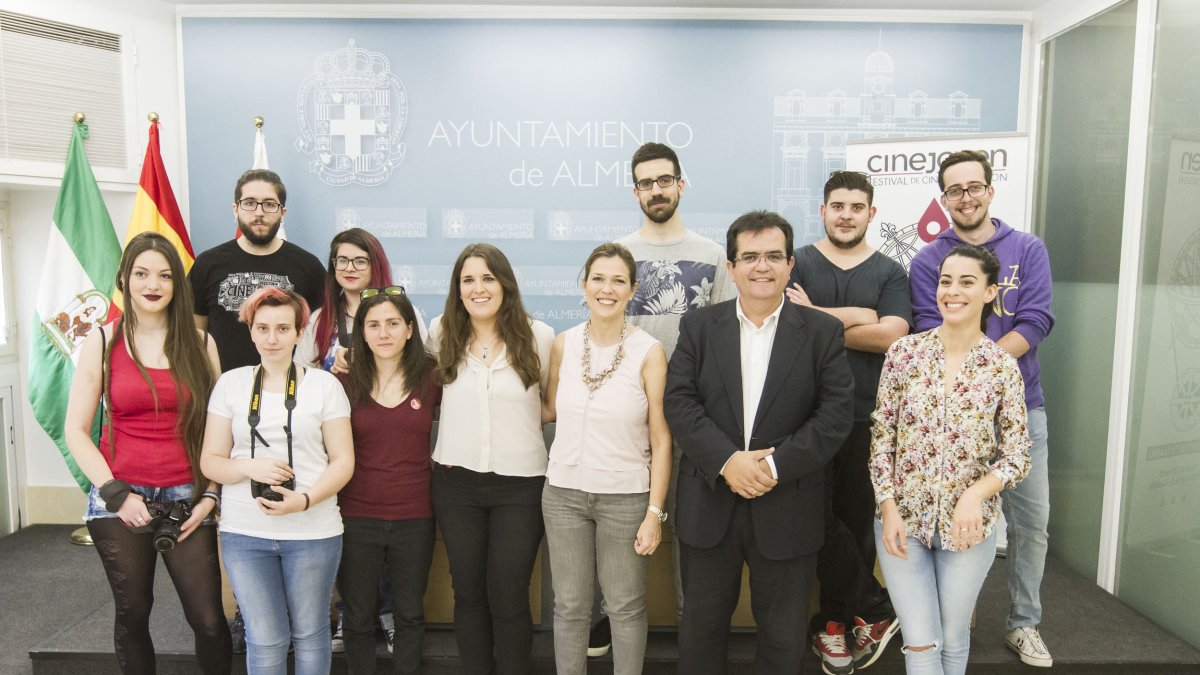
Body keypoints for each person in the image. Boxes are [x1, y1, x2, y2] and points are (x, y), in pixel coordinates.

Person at [665, 210, 854, 674]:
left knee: (783, 636)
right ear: (730, 268)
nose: (761, 266)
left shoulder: (822, 332)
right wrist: (728, 461)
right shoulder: (699, 327)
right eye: (749, 257)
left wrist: (772, 468)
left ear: (791, 265)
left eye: (773, 256)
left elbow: (834, 417)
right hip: (710, 502)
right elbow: (680, 402)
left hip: (788, 503)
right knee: (701, 630)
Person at [907, 150, 1056, 668]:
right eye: (954, 190)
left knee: (1031, 521)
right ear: (942, 198)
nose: (965, 197)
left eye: (974, 187)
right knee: (957, 522)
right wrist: (971, 381)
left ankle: (1023, 623)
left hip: (1022, 404)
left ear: (990, 190)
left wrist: (985, 372)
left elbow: (1035, 321)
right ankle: (942, 635)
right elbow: (931, 324)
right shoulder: (929, 260)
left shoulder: (1027, 248)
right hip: (951, 419)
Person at [64, 232, 230, 675]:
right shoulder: (101, 341)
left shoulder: (201, 344)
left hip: (190, 498)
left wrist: (211, 495)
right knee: (133, 613)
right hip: (119, 498)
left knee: (210, 621)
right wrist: (118, 494)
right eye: (141, 273)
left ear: (178, 283)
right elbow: (76, 431)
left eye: (163, 274)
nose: (152, 284)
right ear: (125, 279)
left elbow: (220, 431)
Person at [601, 141, 737, 655]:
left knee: (696, 538)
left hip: (696, 420)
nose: (655, 190)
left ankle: (693, 641)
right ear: (634, 190)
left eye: (664, 180)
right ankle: (611, 630)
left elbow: (726, 340)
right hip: (628, 422)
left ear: (681, 184)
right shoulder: (617, 255)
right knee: (622, 529)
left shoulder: (711, 256)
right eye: (645, 182)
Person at [871, 244, 1032, 675]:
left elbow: (1017, 454)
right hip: (901, 524)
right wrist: (887, 507)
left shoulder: (1001, 366)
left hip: (968, 532)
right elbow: (882, 439)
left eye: (966, 282)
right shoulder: (903, 354)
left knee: (953, 638)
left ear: (988, 293)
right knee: (921, 644)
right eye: (946, 281)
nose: (952, 291)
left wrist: (974, 495)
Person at [786, 170, 909, 673]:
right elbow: (788, 328)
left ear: (871, 214)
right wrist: (861, 313)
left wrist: (819, 317)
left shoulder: (891, 272)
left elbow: (893, 339)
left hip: (866, 416)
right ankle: (874, 609)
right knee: (810, 519)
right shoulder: (798, 263)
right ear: (822, 210)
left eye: (856, 207)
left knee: (856, 523)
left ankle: (836, 626)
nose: (845, 215)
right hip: (801, 418)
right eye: (837, 205)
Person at [200, 286, 354, 675]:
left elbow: (343, 461)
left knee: (310, 633)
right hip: (245, 533)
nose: (272, 338)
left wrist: (303, 501)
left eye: (283, 328)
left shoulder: (325, 385)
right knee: (264, 637)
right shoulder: (231, 384)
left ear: (299, 333)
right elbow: (210, 462)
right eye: (263, 328)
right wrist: (250, 468)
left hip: (313, 530)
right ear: (250, 331)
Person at [541, 243, 672, 675]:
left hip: (625, 499)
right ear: (583, 285)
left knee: (625, 605)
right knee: (570, 606)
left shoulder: (649, 351)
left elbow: (661, 437)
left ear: (632, 290)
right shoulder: (562, 344)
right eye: (598, 278)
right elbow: (546, 411)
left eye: (618, 280)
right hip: (562, 496)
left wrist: (654, 512)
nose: (607, 288)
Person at [427, 243, 554, 675]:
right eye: (468, 279)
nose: (478, 288)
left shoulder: (540, 335)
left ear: (505, 283)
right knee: (468, 592)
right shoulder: (440, 331)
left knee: (509, 592)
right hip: (455, 482)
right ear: (457, 288)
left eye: (487, 278)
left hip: (521, 484)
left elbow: (551, 404)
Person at [337, 286, 440, 674]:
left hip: (414, 517)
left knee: (410, 614)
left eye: (393, 323)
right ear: (360, 332)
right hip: (355, 517)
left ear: (410, 329)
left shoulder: (432, 378)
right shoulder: (343, 382)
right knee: (358, 616)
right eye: (374, 324)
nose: (384, 333)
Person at [189, 169, 325, 372]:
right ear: (236, 209)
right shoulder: (207, 263)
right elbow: (195, 334)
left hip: (291, 393)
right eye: (250, 203)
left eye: (269, 204)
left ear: (282, 212)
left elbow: (322, 333)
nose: (259, 212)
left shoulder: (308, 266)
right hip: (223, 391)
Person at [296, 227, 426, 373]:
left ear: (376, 265)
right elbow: (302, 375)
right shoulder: (319, 320)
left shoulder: (404, 312)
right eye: (342, 260)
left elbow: (423, 364)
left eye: (360, 261)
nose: (349, 268)